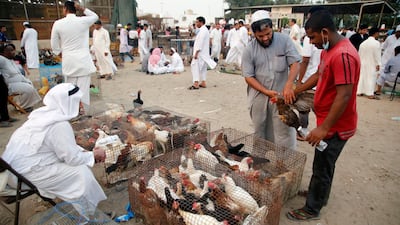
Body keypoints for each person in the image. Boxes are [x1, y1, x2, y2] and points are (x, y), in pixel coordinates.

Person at [287, 10, 360, 221]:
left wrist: (324, 128)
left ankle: (312, 208)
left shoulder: (343, 55)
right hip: (328, 121)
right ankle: (318, 196)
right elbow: (319, 75)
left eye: (313, 37)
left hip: (336, 126)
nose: (312, 42)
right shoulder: (330, 50)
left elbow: (344, 95)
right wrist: (297, 89)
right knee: (324, 164)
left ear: (325, 32)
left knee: (322, 166)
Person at [2, 83, 107, 221]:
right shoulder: (59, 125)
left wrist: (86, 154)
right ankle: (89, 216)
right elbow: (72, 159)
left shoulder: (41, 115)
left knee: (79, 165)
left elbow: (59, 149)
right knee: (81, 173)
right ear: (67, 103)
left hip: (11, 171)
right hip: (24, 176)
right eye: (77, 101)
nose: (81, 105)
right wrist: (93, 155)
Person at [242, 10, 301, 150]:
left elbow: (295, 63)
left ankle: (284, 164)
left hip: (282, 97)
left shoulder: (285, 40)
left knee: (284, 132)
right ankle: (261, 164)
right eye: (260, 36)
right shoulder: (249, 49)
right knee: (260, 131)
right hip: (259, 97)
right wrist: (266, 91)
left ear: (272, 28)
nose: (265, 38)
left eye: (268, 34)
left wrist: (289, 84)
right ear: (254, 34)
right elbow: (248, 77)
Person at [51, 1, 98, 113]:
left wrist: (60, 54)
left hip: (69, 61)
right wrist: (82, 8)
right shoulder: (82, 21)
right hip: (83, 62)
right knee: (83, 92)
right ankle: (84, 114)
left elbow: (54, 45)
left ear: (65, 9)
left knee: (70, 90)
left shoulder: (58, 23)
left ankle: (72, 113)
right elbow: (95, 17)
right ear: (75, 9)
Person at [297, 7, 324, 140]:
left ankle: (304, 130)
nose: (312, 41)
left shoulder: (310, 36)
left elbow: (305, 60)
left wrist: (299, 82)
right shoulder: (327, 49)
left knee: (303, 107)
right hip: (314, 81)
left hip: (310, 82)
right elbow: (318, 73)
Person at [0, 44, 41, 112]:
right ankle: (23, 106)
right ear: (3, 53)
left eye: (13, 50)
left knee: (30, 85)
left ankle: (26, 104)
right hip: (9, 85)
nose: (13, 52)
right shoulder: (1, 59)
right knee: (28, 89)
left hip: (18, 81)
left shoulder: (11, 59)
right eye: (9, 50)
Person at [189, 16, 216, 90]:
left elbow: (200, 43)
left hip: (200, 53)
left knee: (195, 66)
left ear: (201, 22)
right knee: (203, 68)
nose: (196, 23)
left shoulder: (203, 31)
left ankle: (196, 83)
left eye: (197, 22)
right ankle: (203, 82)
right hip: (204, 53)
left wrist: (196, 52)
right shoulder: (204, 30)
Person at [356, 27, 381, 99]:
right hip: (372, 63)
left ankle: (359, 91)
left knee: (362, 77)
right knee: (371, 78)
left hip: (362, 62)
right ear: (376, 33)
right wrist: (378, 64)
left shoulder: (363, 43)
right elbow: (377, 55)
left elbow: (359, 54)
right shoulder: (376, 43)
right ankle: (370, 93)